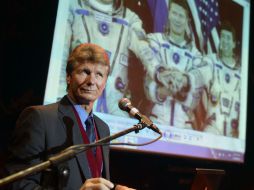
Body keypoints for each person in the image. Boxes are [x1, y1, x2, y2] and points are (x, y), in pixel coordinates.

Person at [5, 44, 134, 190]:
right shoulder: (39, 118)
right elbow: (15, 184)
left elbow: (92, 177)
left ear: (104, 83)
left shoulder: (103, 129)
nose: (92, 81)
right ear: (68, 77)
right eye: (85, 72)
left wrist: (114, 188)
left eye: (99, 75)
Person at [58, 0, 157, 117]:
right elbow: (60, 54)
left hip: (114, 105)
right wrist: (59, 93)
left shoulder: (129, 18)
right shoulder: (74, 7)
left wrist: (159, 71)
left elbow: (144, 49)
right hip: (78, 100)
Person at [144, 0, 212, 130]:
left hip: (185, 125)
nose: (177, 19)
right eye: (175, 13)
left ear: (187, 20)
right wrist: (162, 91)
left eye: (181, 16)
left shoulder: (195, 55)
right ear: (169, 14)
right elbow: (146, 82)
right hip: (156, 120)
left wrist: (184, 81)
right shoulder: (155, 41)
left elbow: (196, 97)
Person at [205, 21, 241, 137]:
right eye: (222, 37)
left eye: (228, 38)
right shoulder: (211, 61)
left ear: (234, 44)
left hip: (233, 132)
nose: (225, 40)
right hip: (212, 127)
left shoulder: (242, 72)